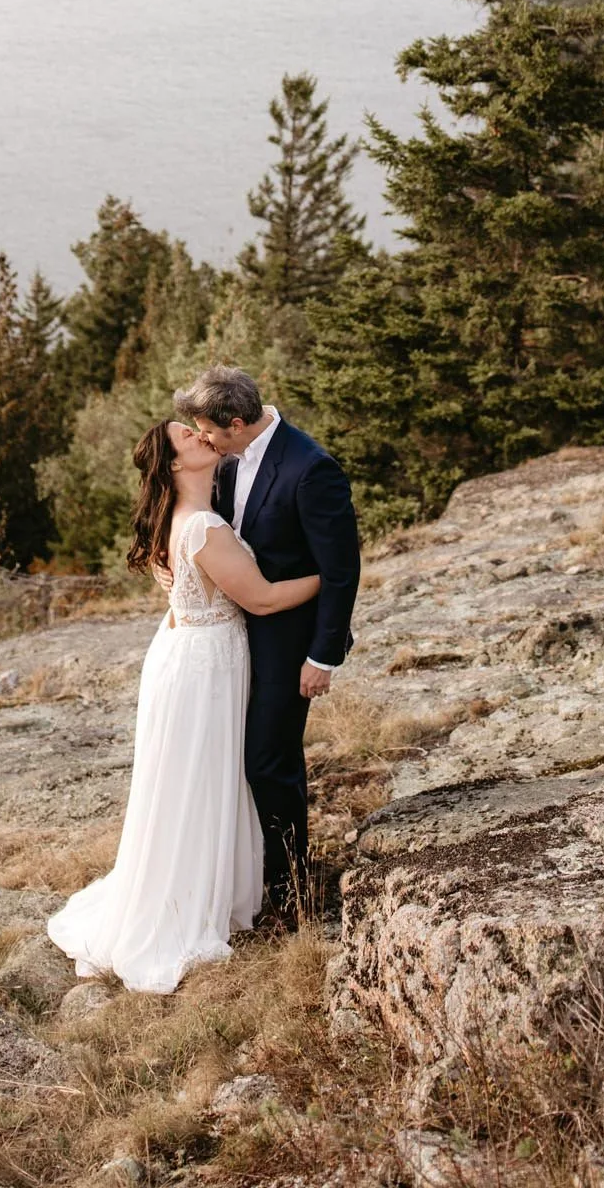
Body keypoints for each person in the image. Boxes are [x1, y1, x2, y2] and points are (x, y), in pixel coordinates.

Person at [46, 416, 322, 994]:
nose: (202, 436)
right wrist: (330, 577)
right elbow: (266, 600)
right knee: (202, 779)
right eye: (187, 437)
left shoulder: (172, 520)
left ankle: (195, 882)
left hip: (179, 651)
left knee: (187, 781)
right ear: (175, 465)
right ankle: (194, 900)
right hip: (206, 664)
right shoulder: (200, 528)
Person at [171, 366, 360, 914]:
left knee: (269, 762)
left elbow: (341, 570)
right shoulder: (228, 460)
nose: (202, 438)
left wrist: (323, 655)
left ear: (235, 422)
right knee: (239, 760)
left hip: (288, 645)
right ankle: (251, 877)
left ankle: (291, 892)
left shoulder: (310, 468)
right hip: (233, 643)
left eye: (208, 429)